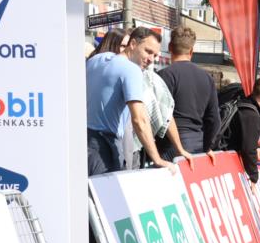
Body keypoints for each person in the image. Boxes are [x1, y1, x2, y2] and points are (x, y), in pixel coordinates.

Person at [85, 26, 181, 175]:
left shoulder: (97, 59)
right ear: (133, 44)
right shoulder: (131, 70)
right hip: (104, 147)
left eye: (154, 55)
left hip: (82, 141)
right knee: (109, 197)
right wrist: (157, 159)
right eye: (148, 51)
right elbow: (139, 120)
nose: (151, 59)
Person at [157, 25, 220, 158]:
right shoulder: (207, 78)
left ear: (169, 47)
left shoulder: (164, 75)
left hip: (170, 145)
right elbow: (214, 118)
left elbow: (162, 115)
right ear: (191, 51)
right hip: (198, 142)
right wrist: (208, 146)